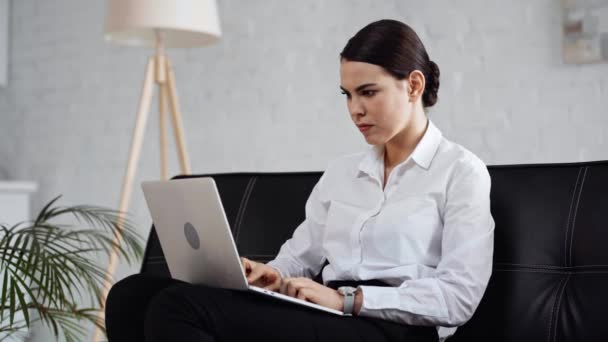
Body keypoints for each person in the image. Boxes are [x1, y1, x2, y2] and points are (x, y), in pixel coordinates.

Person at [105, 19, 494, 342]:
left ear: (413, 85)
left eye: (368, 92)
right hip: (328, 313)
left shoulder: (462, 172)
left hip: (394, 327)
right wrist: (270, 275)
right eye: (347, 94)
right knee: (131, 295)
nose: (355, 110)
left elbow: (458, 298)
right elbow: (299, 259)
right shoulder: (342, 173)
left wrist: (348, 300)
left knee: (179, 308)